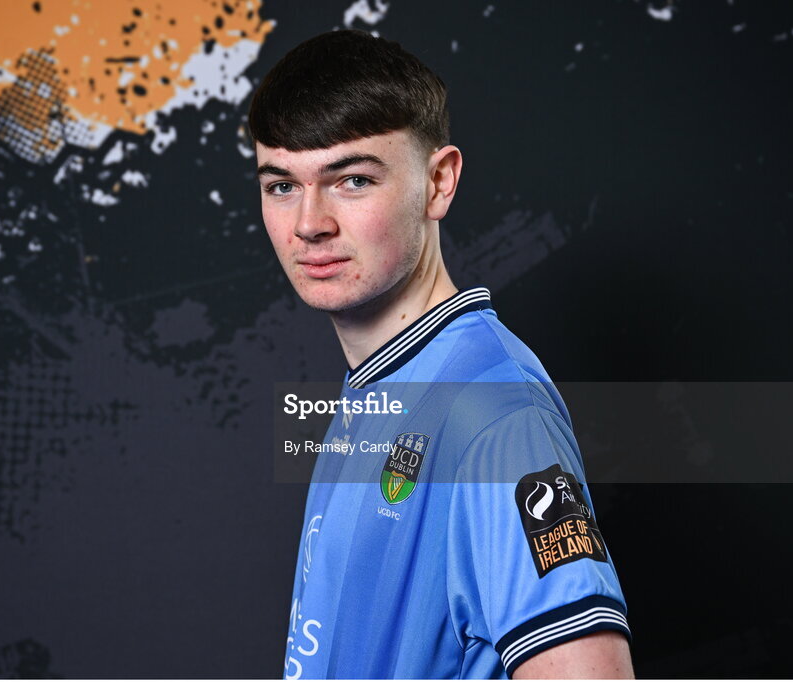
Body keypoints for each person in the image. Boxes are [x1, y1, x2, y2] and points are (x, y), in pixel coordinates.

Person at [248, 29, 633, 679]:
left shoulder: (495, 414)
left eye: (352, 179)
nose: (309, 223)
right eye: (282, 185)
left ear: (439, 182)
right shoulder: (382, 386)